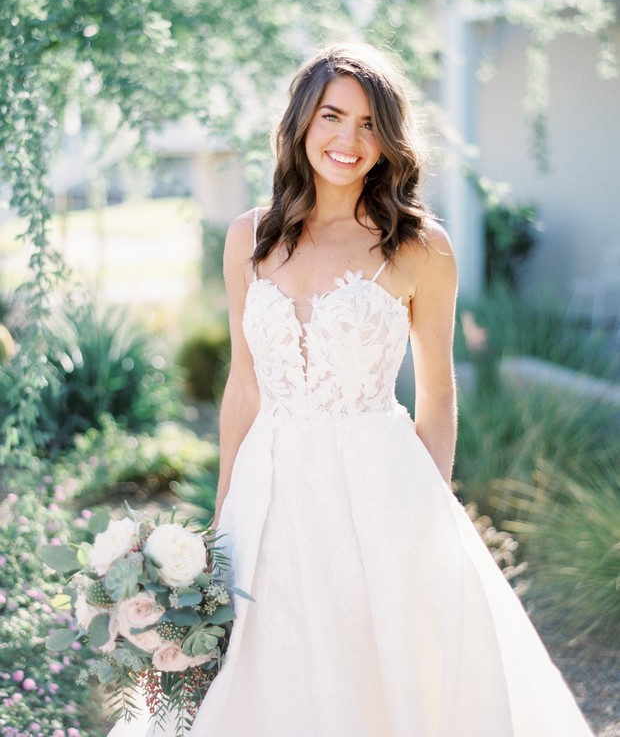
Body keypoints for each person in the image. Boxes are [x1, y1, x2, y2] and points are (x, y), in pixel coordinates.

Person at [113, 43, 594, 736]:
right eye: (333, 116)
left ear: (389, 138)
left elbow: (438, 393)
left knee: (387, 673)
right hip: (267, 492)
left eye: (369, 124)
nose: (349, 139)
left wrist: (429, 514)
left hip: (380, 491)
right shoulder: (249, 237)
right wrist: (221, 523)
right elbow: (243, 386)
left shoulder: (420, 247)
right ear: (302, 122)